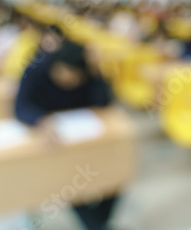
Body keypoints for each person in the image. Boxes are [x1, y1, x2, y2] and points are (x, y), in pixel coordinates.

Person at [14, 41, 116, 230]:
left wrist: (97, 71)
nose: (67, 81)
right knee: (69, 180)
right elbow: (21, 107)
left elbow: (104, 101)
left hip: (86, 137)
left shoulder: (88, 73)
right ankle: (97, 226)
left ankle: (98, 225)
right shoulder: (35, 70)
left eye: (74, 78)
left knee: (115, 173)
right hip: (52, 141)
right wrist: (41, 120)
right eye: (62, 74)